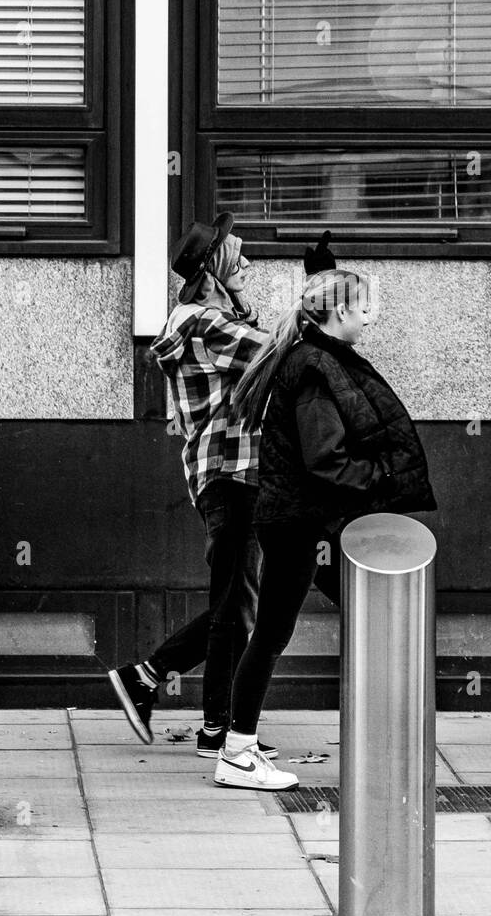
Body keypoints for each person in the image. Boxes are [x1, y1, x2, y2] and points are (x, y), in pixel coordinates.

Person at [210, 267, 436, 790]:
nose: (369, 319)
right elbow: (324, 460)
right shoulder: (314, 368)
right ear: (338, 313)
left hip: (303, 518)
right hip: (299, 520)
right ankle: (237, 751)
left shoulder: (312, 358)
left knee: (358, 616)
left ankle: (380, 741)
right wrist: (381, 477)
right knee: (272, 633)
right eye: (362, 309)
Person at [107, 214, 276, 759]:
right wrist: (322, 297)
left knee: (239, 602)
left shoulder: (201, 321)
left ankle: (150, 678)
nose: (247, 264)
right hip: (233, 474)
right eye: (237, 258)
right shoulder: (205, 324)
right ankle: (217, 729)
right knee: (236, 606)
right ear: (212, 272)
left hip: (226, 475)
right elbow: (279, 353)